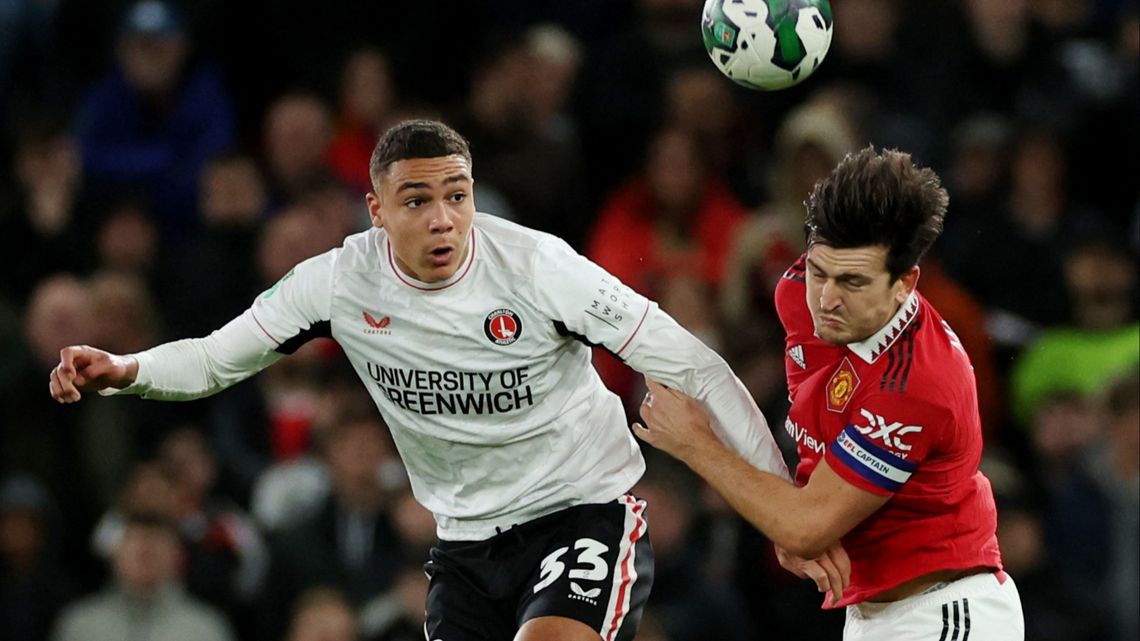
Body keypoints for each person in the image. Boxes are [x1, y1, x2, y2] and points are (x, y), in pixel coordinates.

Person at [48, 119, 794, 641]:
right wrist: (127, 370)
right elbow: (215, 359)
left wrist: (784, 511)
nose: (443, 219)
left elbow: (693, 364)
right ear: (376, 210)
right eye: (417, 201)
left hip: (581, 512)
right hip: (465, 543)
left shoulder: (538, 267)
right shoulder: (338, 283)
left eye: (457, 195)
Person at [633, 147, 1025, 640]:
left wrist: (695, 443)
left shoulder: (917, 383)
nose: (827, 299)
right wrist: (789, 520)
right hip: (869, 615)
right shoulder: (798, 293)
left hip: (945, 614)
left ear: (905, 283)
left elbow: (805, 526)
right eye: (820, 272)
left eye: (853, 282)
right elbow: (808, 493)